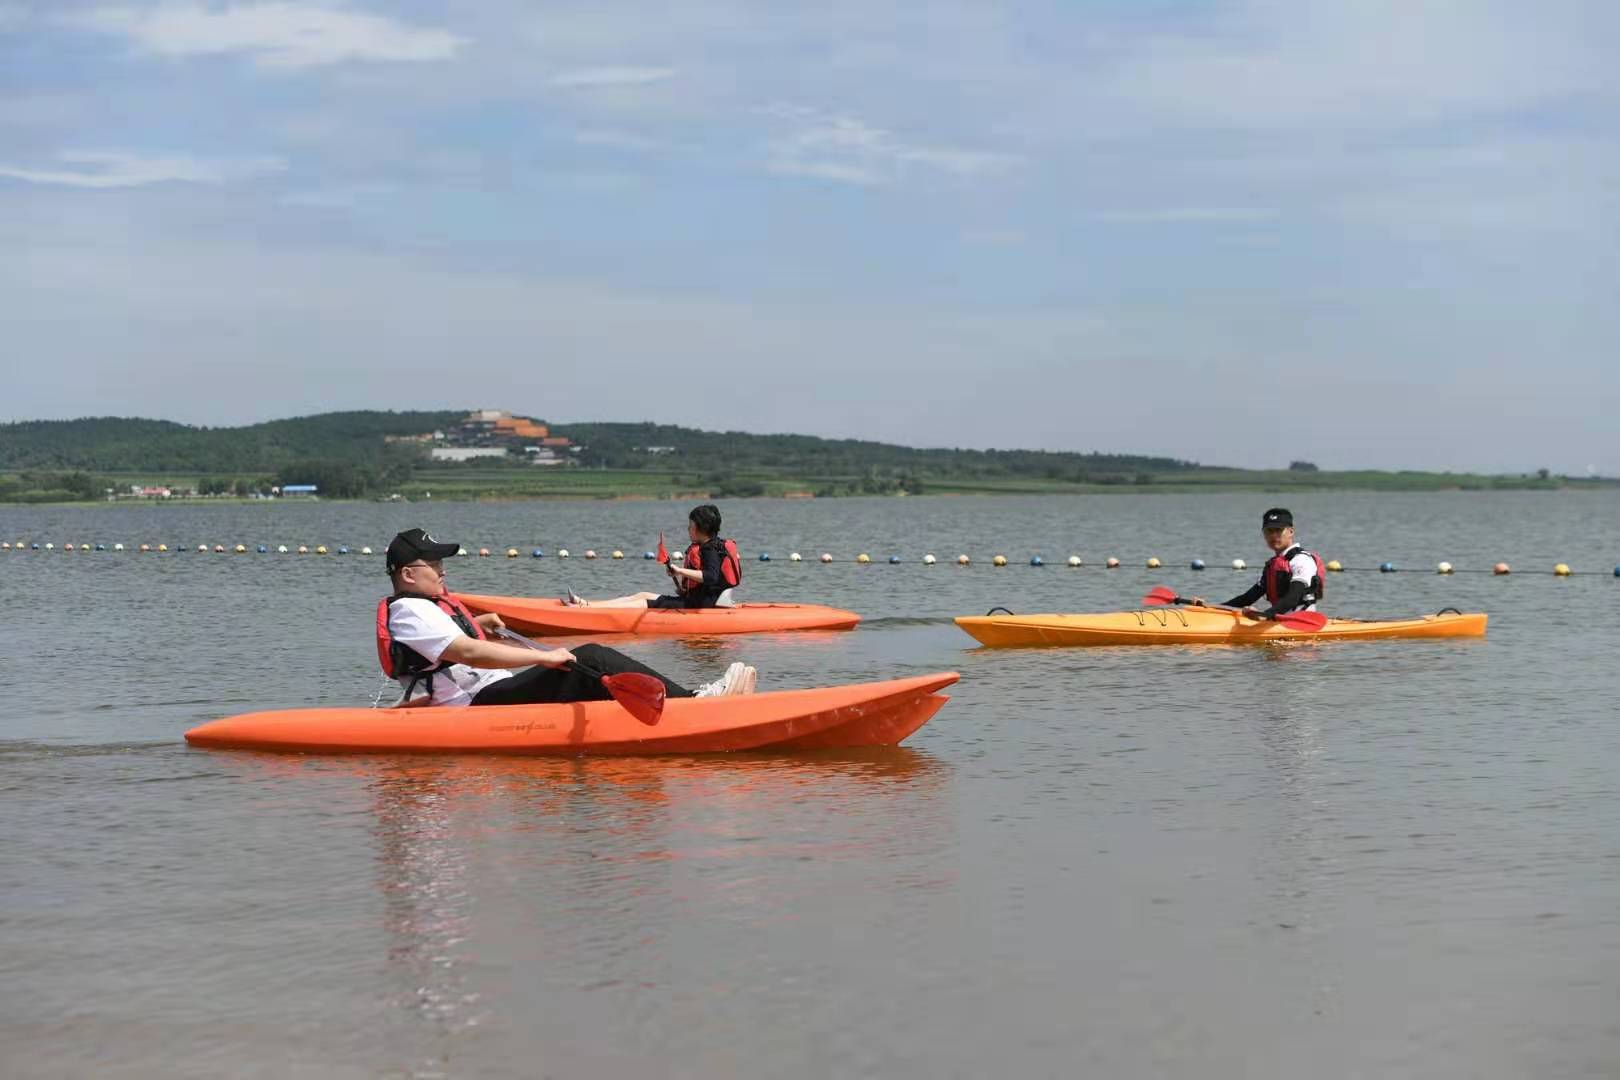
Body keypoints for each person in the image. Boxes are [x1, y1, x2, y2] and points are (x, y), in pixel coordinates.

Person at [378, 528, 756, 706]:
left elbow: (461, 649)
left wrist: (484, 627)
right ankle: (692, 703)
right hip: (475, 705)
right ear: (408, 574)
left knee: (582, 672)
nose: (442, 570)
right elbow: (469, 654)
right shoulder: (409, 610)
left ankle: (672, 706)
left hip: (489, 692)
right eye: (433, 564)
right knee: (588, 656)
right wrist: (545, 655)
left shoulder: (426, 605)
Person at [561, 503, 742, 610]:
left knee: (644, 601)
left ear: (701, 528)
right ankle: (589, 605)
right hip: (698, 599)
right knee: (642, 593)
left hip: (698, 605)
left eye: (691, 525)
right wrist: (682, 584)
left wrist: (679, 570)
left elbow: (710, 577)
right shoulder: (714, 545)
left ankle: (588, 609)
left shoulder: (708, 549)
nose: (688, 529)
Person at [1189, 507, 1325, 619]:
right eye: (1269, 531)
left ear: (1290, 532)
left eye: (1278, 530)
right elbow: (1247, 598)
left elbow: (1293, 598)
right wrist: (1211, 608)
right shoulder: (1273, 565)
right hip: (1277, 620)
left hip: (1302, 623)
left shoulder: (1301, 560)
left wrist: (1265, 616)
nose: (1273, 536)